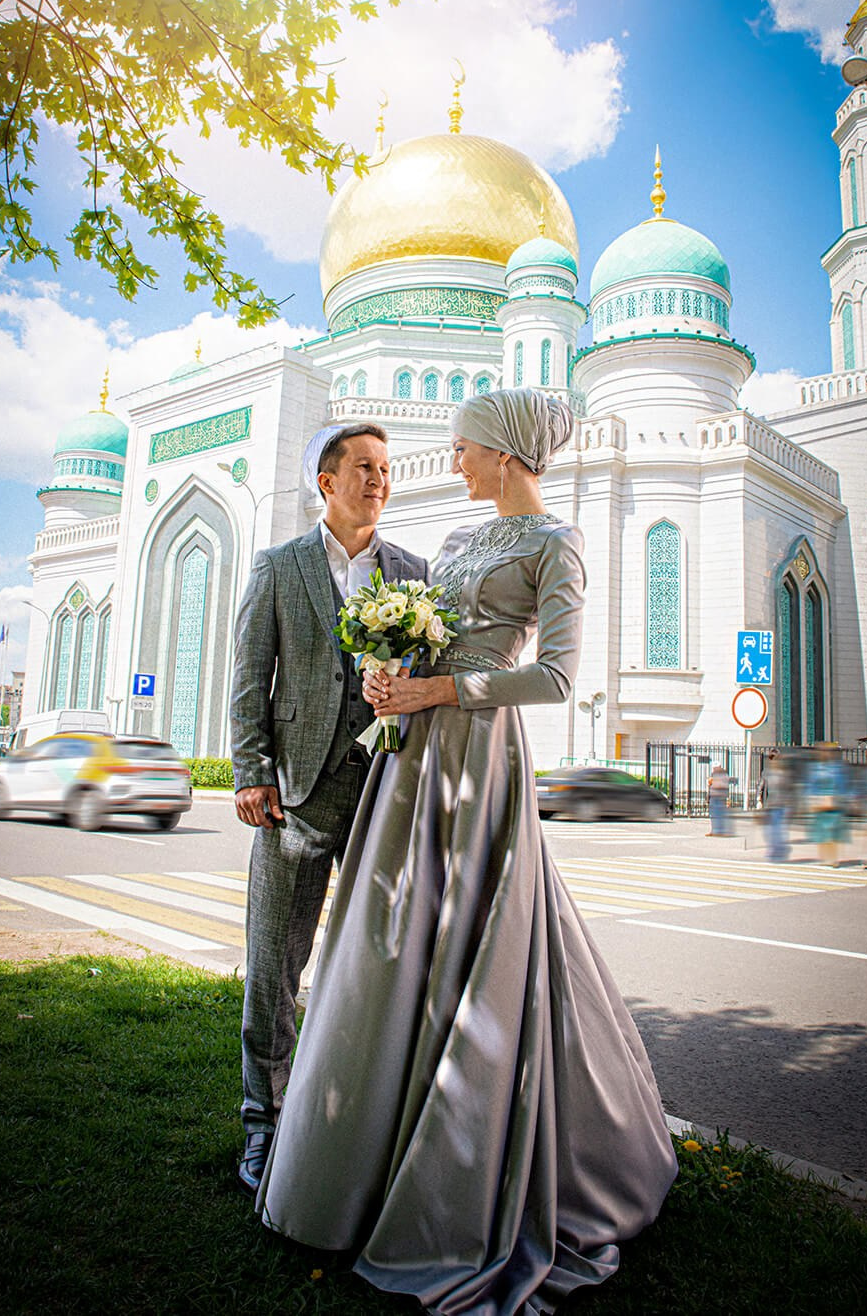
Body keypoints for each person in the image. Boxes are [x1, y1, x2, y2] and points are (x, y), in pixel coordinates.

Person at [258, 389, 677, 1314]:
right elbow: (425, 645)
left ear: (506, 453)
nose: (452, 462)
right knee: (388, 940)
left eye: (463, 448)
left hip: (478, 757)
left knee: (476, 932)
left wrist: (442, 691)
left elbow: (556, 675)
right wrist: (391, 678)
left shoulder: (555, 543)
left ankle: (465, 1164)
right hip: (410, 757)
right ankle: (362, 1153)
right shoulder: (453, 541)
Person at [229, 422, 428, 1197]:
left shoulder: (412, 572)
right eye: (364, 467)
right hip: (295, 798)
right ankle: (264, 1122)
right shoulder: (279, 567)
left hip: (384, 793)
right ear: (327, 481)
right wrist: (252, 772)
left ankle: (361, 1121)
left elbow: (426, 678)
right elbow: (251, 677)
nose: (379, 480)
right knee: (274, 969)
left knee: (383, 964)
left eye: (385, 469)